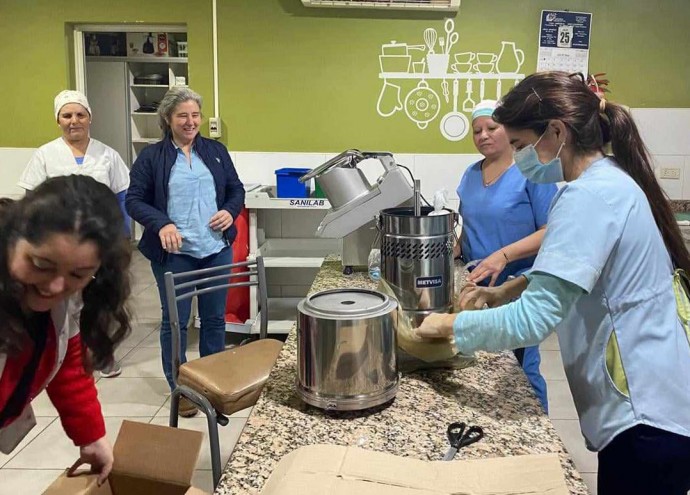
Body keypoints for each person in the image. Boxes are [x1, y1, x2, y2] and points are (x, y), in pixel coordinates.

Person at [417, 72, 690, 494]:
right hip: (658, 393)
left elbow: (533, 321)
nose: (520, 156)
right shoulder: (606, 180)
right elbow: (576, 268)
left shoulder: (589, 198)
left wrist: (446, 328)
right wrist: (508, 288)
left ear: (557, 132)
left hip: (645, 410)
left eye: (523, 145)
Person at [0, 175, 132, 485]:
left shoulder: (68, 299)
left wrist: (92, 436)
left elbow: (69, 365)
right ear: (9, 240)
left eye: (78, 274)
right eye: (40, 264)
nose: (55, 287)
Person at [126, 87, 245, 417]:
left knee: (213, 320)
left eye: (195, 115)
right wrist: (162, 223)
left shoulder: (216, 151)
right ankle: (182, 387)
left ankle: (212, 383)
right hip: (174, 254)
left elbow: (236, 189)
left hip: (215, 249)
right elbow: (134, 200)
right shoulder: (152, 157)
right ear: (167, 118)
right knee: (176, 322)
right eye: (183, 116)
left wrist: (230, 211)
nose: (191, 122)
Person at [18, 89, 131, 379]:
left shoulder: (108, 155)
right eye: (67, 115)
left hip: (101, 242)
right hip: (59, 245)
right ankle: (60, 360)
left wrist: (122, 238)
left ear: (89, 118)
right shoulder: (46, 155)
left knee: (101, 300)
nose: (74, 121)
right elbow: (33, 201)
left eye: (80, 114)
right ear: (58, 120)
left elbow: (122, 199)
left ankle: (102, 355)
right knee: (62, 303)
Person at [456, 99, 555, 412]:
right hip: (476, 284)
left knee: (521, 369)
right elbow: (468, 224)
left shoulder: (532, 173)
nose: (483, 135)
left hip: (517, 286)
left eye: (491, 127)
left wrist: (503, 254)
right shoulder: (470, 175)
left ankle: (540, 431)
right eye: (476, 131)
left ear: (508, 130)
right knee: (484, 365)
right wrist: (450, 251)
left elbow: (551, 231)